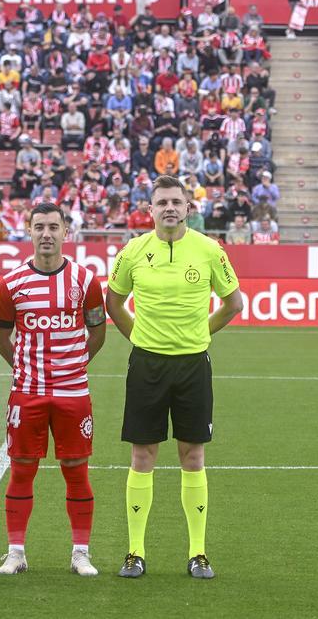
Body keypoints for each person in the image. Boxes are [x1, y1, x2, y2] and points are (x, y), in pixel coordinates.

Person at [105, 174, 243, 580]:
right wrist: (139, 337)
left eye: (176, 202)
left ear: (188, 208)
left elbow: (233, 302)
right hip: (147, 365)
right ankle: (134, 552)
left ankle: (198, 553)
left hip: (192, 366)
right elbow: (113, 301)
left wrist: (202, 332)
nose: (169, 208)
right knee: (142, 456)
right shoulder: (132, 251)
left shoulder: (208, 250)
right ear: (150, 209)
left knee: (193, 456)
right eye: (161, 201)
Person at [0, 203, 107, 577]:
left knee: (76, 469)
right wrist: (27, 368)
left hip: (73, 392)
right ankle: (15, 552)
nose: (46, 234)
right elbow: (2, 338)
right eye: (39, 226)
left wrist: (72, 365)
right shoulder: (10, 285)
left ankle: (80, 552)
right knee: (22, 469)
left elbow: (97, 332)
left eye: (53, 227)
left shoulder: (86, 281)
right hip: (28, 392)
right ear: (29, 230)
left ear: (65, 232)